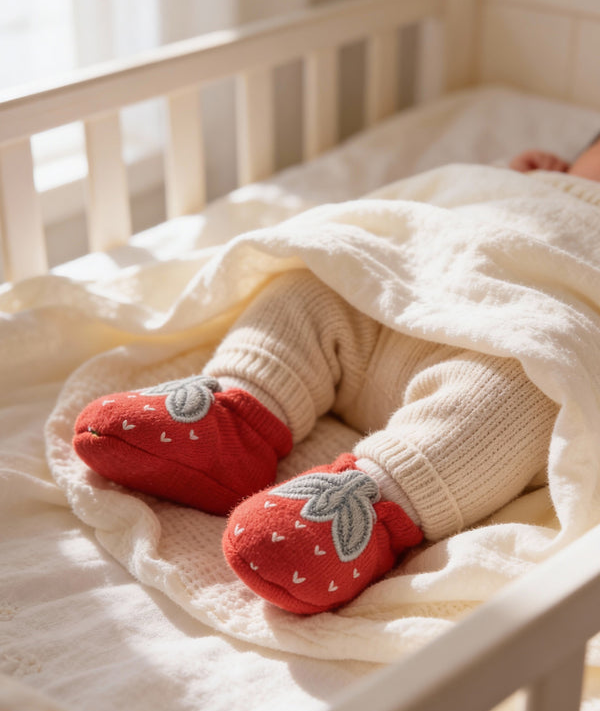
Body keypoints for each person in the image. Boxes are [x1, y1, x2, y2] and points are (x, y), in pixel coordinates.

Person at [72, 132, 600, 615]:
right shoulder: (522, 183)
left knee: (521, 397)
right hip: (392, 298)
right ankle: (236, 413)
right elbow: (430, 215)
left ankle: (362, 505)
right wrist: (515, 173)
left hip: (505, 346)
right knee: (315, 285)